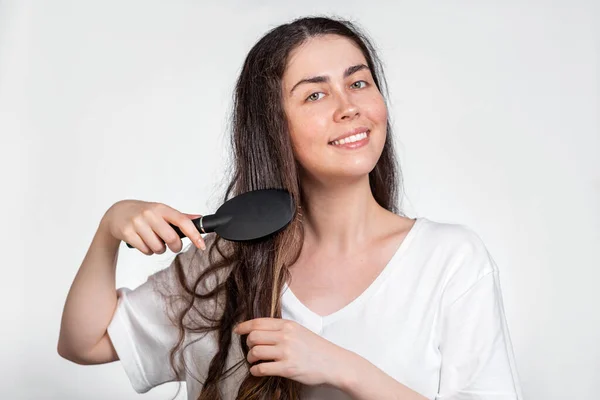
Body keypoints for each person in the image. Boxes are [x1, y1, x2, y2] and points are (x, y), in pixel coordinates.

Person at [57, 15, 524, 400]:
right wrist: (110, 229)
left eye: (358, 83)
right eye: (315, 94)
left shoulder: (449, 261)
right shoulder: (224, 261)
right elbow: (85, 342)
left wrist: (343, 368)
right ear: (273, 127)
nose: (349, 108)